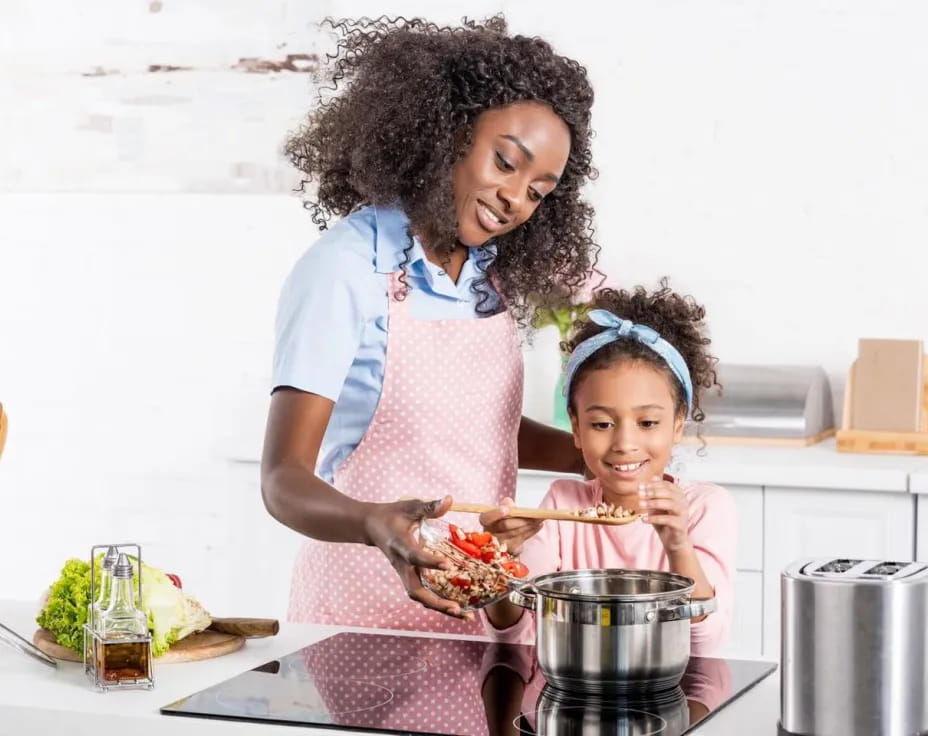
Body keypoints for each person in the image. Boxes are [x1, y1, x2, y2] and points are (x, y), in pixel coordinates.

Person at [260, 15, 599, 634]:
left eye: (539, 191)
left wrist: (595, 453)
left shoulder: (488, 274)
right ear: (447, 132)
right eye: (505, 162)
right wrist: (372, 524)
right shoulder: (345, 268)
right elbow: (283, 479)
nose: (515, 199)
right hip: (364, 616)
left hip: (482, 602)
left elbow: (472, 429)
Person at [482, 280, 737, 654]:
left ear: (678, 423)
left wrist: (678, 543)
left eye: (647, 423)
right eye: (602, 424)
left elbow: (704, 639)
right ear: (576, 427)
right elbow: (514, 632)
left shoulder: (704, 508)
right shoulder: (562, 506)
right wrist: (500, 561)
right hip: (572, 689)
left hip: (671, 693)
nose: (624, 444)